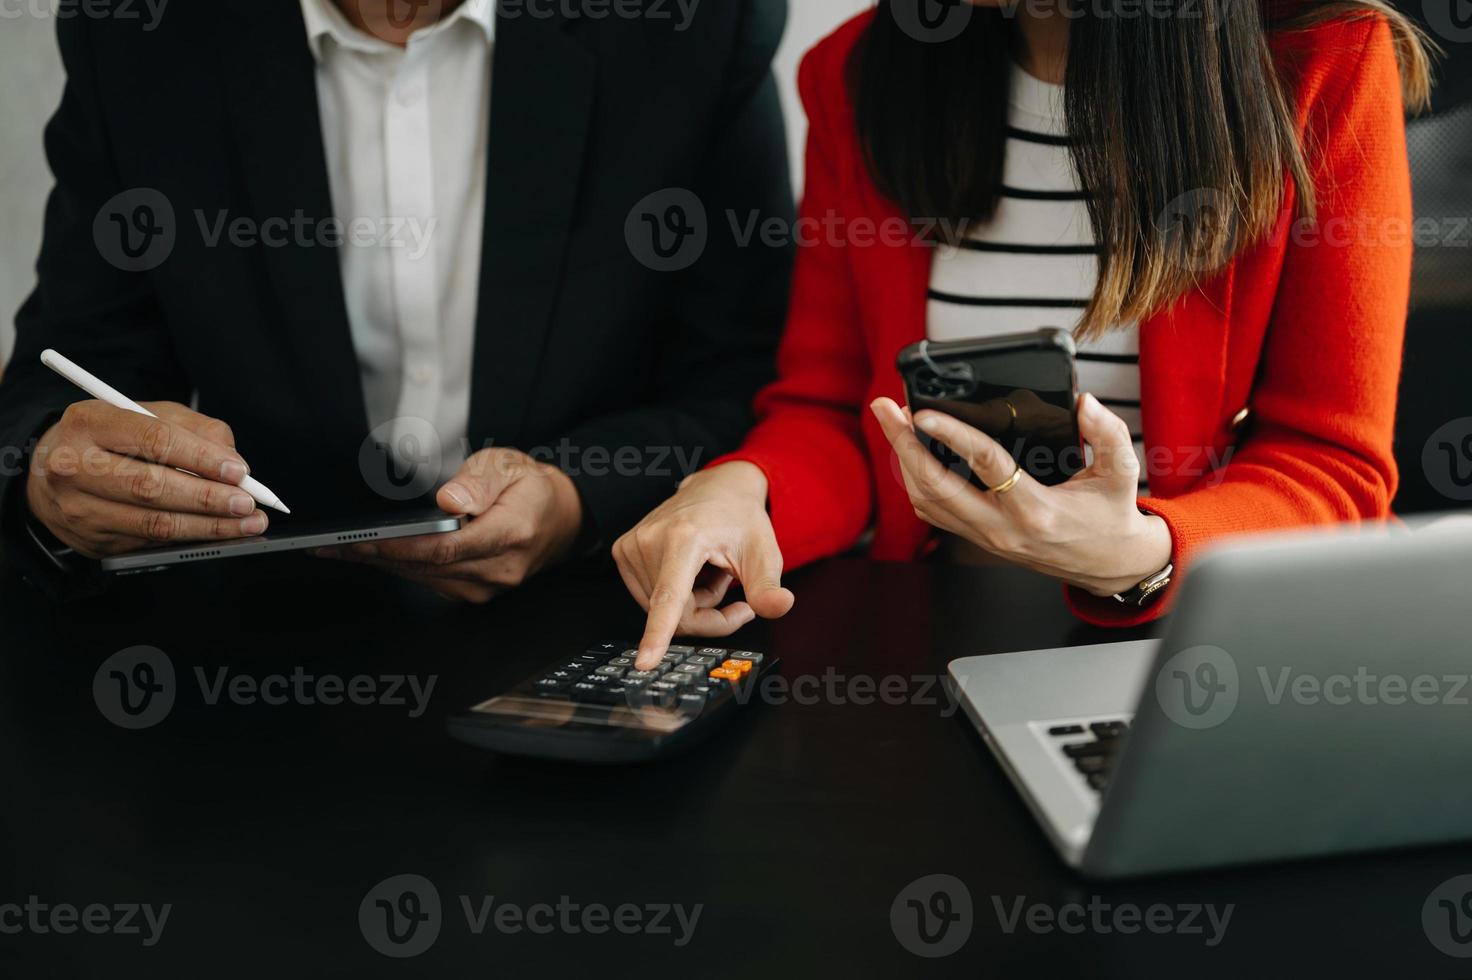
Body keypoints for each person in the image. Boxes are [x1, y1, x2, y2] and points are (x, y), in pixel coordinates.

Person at [615, 0, 1431, 669]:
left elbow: (1335, 468)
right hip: (930, 648)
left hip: (1201, 654)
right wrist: (743, 491)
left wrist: (1145, 555)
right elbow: (835, 408)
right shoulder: (857, 72)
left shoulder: (1325, 59)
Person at [0, 0, 794, 600]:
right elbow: (68, 373)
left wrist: (578, 497)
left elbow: (743, 378)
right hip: (252, 643)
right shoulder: (144, 32)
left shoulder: (691, 25)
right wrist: (50, 477)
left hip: (595, 616)